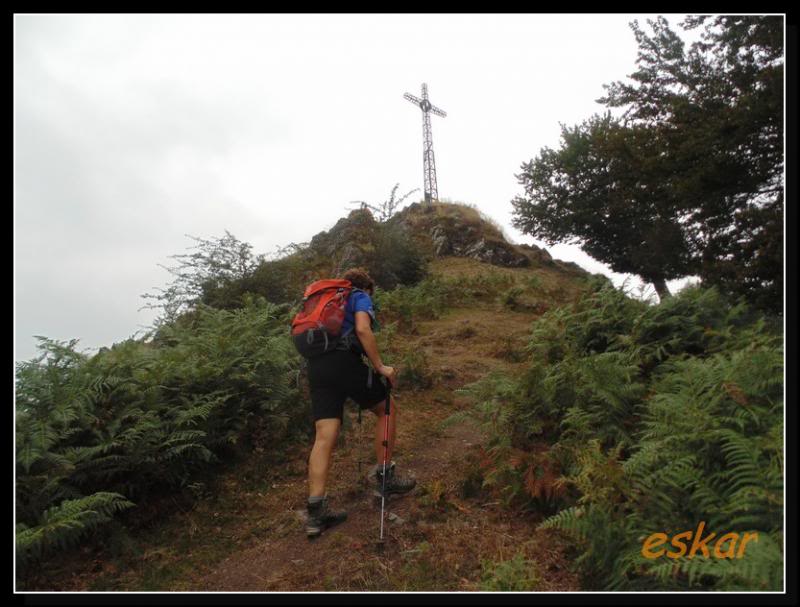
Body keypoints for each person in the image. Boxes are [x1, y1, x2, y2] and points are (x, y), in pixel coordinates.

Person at [304, 267, 416, 538]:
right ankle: (385, 478)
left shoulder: (323, 300)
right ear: (367, 288)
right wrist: (380, 367)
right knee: (386, 409)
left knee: (324, 435)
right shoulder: (358, 295)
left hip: (316, 367)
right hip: (344, 361)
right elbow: (363, 330)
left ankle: (316, 511)